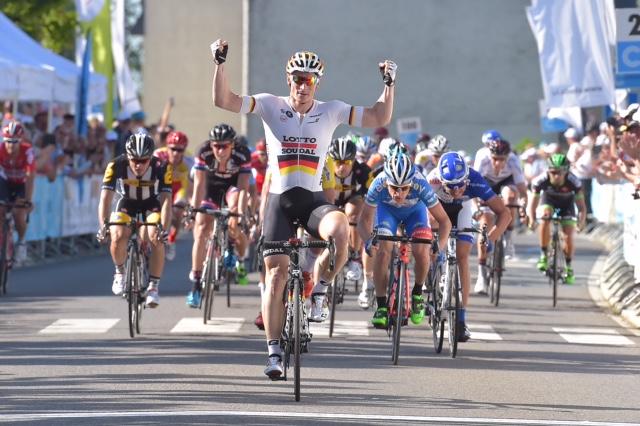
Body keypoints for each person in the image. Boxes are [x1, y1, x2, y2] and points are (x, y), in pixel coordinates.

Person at [211, 37, 397, 378]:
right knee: (276, 275)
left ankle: (321, 289)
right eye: (297, 78)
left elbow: (377, 115)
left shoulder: (332, 110)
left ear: (317, 83)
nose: (303, 85)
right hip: (279, 203)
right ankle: (273, 353)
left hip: (312, 202)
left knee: (341, 230)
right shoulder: (270, 105)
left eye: (309, 79)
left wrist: (389, 84)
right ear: (288, 79)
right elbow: (225, 100)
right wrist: (220, 64)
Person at [358, 152, 451, 328]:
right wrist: (368, 241)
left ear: (411, 184)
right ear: (386, 182)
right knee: (383, 252)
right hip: (387, 213)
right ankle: (381, 306)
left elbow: (445, 221)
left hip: (415, 213)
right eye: (394, 188)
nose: (399, 193)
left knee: (421, 249)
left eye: (404, 188)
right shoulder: (378, 183)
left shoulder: (420, 183)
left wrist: (440, 245)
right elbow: (363, 221)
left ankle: (417, 293)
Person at [427, 152, 510, 341]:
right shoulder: (431, 180)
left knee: (462, 256)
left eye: (460, 186)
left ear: (467, 179)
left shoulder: (475, 179)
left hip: (462, 209)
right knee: (430, 230)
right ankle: (430, 279)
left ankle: (462, 320)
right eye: (451, 187)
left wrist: (490, 237)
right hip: (437, 210)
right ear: (441, 180)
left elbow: (504, 214)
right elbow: (419, 212)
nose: (456, 191)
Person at [97, 132, 172, 307]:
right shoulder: (115, 165)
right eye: (134, 160)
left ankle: (153, 287)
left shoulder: (161, 166)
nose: (138, 165)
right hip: (126, 203)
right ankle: (120, 272)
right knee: (117, 234)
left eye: (143, 161)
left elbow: (167, 200)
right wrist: (103, 226)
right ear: (127, 157)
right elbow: (105, 199)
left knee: (155, 236)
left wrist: (164, 228)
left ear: (151, 157)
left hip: (150, 204)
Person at [186, 123, 252, 307]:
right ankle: (196, 283)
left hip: (232, 189)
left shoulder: (242, 154)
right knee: (201, 229)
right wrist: (193, 210)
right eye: (216, 145)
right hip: (210, 189)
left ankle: (231, 245)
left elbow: (243, 187)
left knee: (234, 215)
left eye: (224, 146)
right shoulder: (203, 152)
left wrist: (238, 215)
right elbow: (198, 185)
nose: (220, 150)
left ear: (232, 145)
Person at [325, 136, 375, 306]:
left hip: (351, 201)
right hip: (330, 201)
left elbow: (373, 193)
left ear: (354, 160)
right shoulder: (325, 167)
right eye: (337, 161)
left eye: (347, 162)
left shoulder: (363, 171)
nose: (341, 166)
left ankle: (354, 256)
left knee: (353, 211)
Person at [473, 138, 527, 293]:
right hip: (486, 184)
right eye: (495, 159)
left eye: (501, 160)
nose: (497, 163)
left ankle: (508, 239)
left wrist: (523, 205)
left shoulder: (513, 162)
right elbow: (474, 186)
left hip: (505, 183)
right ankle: (482, 276)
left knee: (511, 198)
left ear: (507, 158)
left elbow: (522, 190)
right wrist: (477, 206)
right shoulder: (482, 159)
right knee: (485, 225)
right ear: (490, 156)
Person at [528, 153, 587, 284]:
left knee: (568, 236)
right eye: (553, 172)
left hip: (567, 205)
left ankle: (569, 267)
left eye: (560, 173)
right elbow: (532, 204)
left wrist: (581, 222)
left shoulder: (574, 182)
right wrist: (531, 219)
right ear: (548, 170)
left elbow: (582, 208)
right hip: (548, 201)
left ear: (566, 172)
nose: (556, 176)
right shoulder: (540, 180)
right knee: (545, 217)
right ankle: (543, 255)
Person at [0, 121, 35, 264]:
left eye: (14, 141)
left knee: (19, 213)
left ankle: (21, 242)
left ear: (20, 141)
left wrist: (27, 200)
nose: (10, 145)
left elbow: (31, 177)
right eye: (7, 141)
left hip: (21, 184)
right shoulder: (0, 149)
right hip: (6, 182)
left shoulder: (27, 151)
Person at [153, 131, 192, 261]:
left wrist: (191, 204)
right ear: (167, 147)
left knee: (177, 211)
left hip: (178, 189)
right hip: (160, 187)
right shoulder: (158, 155)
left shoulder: (189, 161)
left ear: (184, 150)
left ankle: (171, 240)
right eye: (173, 149)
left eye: (180, 150)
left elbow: (194, 184)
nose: (176, 153)